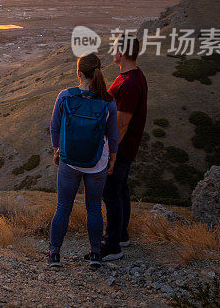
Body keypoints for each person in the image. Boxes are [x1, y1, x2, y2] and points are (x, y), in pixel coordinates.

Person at [48, 52, 118, 269]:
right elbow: (113, 136)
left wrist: (57, 149)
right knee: (94, 208)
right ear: (98, 72)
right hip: (98, 162)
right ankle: (95, 254)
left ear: (79, 73)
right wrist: (112, 158)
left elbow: (54, 128)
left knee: (63, 207)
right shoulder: (108, 101)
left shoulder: (65, 96)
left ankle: (54, 255)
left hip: (69, 161)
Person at [99, 33, 148, 261]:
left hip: (121, 148)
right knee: (121, 191)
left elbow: (121, 125)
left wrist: (110, 155)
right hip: (125, 148)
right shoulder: (130, 77)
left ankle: (112, 246)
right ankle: (122, 235)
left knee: (111, 194)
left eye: (115, 48)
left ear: (122, 52)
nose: (112, 52)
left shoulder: (130, 84)